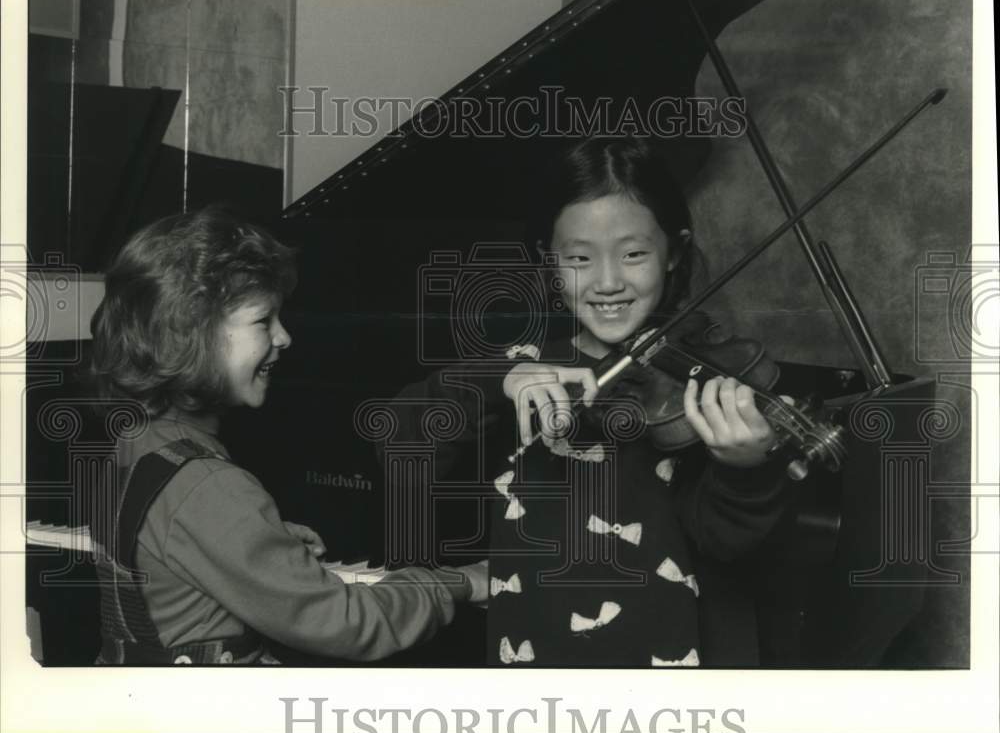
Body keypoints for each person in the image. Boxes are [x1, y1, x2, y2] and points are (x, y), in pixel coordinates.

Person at [381, 137, 793, 667]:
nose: (607, 282)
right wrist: (494, 378)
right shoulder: (521, 368)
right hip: (533, 663)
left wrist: (744, 472)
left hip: (672, 674)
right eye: (579, 258)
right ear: (549, 263)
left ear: (675, 253)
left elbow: (727, 547)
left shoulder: (703, 386)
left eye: (634, 254)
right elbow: (399, 438)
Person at [88, 206, 487, 665]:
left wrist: (257, 541)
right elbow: (348, 624)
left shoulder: (137, 443)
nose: (284, 337)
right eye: (263, 321)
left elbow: (167, 542)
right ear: (188, 336)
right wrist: (459, 582)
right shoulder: (209, 488)